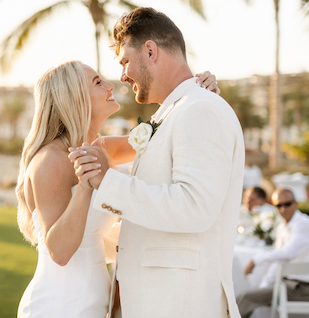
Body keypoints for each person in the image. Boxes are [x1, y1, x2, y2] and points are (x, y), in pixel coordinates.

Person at [70, 7, 245, 318]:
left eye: (124, 61)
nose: (122, 76)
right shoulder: (176, 112)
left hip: (178, 305)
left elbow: (194, 208)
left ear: (150, 51)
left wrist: (108, 181)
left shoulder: (200, 110)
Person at [16, 59, 220, 317]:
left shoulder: (101, 149)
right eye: (98, 82)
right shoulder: (50, 161)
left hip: (95, 302)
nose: (110, 86)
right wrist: (85, 185)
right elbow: (59, 251)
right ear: (75, 96)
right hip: (60, 304)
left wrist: (196, 92)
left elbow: (163, 132)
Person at [236, 188, 309, 317]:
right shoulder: (282, 228)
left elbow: (288, 253)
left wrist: (256, 260)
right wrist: (263, 286)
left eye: (287, 204)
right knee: (249, 296)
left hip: (307, 290)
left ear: (296, 204)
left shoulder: (304, 224)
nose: (283, 208)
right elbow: (279, 261)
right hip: (288, 287)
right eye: (279, 205)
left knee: (246, 298)